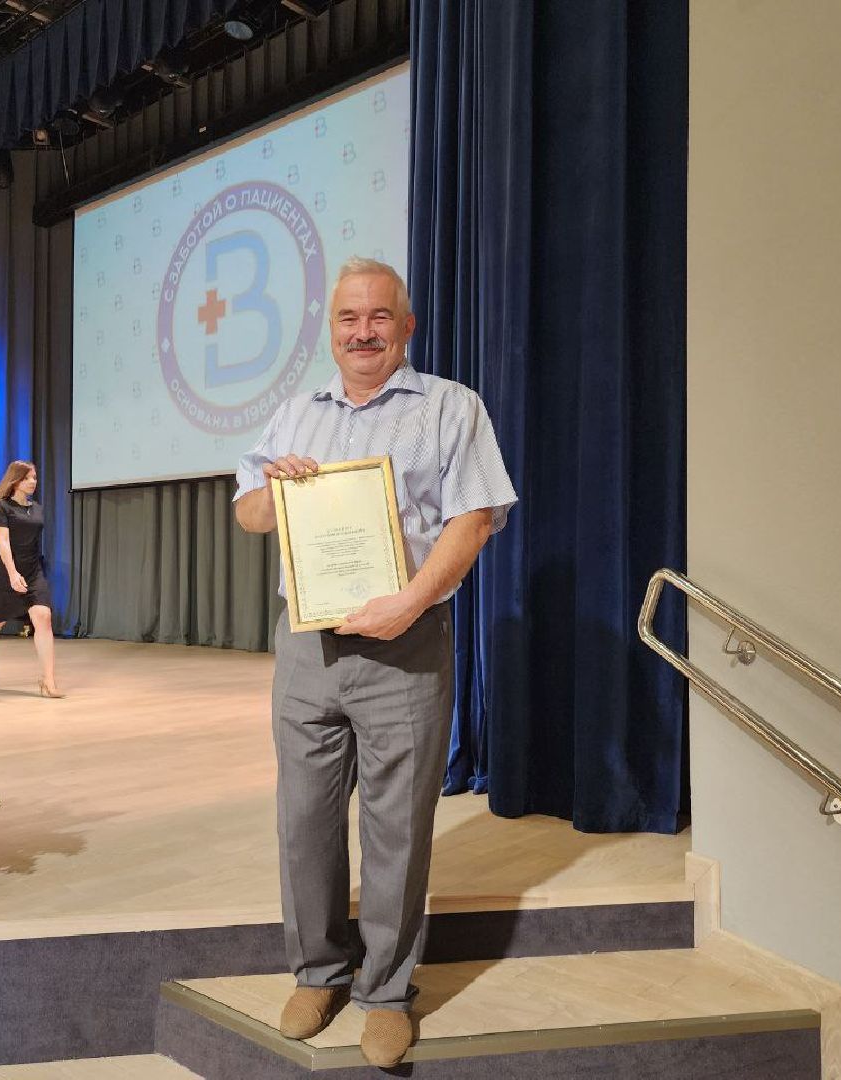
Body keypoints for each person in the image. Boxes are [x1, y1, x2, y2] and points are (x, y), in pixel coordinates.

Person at [233, 257, 516, 1068]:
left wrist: (411, 601)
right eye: (349, 318)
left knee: (397, 825)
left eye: (379, 317)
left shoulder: (450, 408)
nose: (363, 332)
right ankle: (318, 971)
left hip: (406, 644)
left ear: (406, 327)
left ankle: (387, 992)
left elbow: (473, 520)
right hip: (307, 645)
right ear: (332, 328)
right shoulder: (294, 415)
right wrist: (275, 489)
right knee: (304, 820)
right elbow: (249, 512)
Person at [0, 460, 63, 698]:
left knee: (43, 616)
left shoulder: (38, 508)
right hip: (5, 572)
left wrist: (25, 573)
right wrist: (12, 573)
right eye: (27, 478)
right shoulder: (2, 507)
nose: (33, 482)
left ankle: (48, 680)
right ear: (16, 480)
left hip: (33, 571)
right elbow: (3, 542)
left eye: (34, 477)